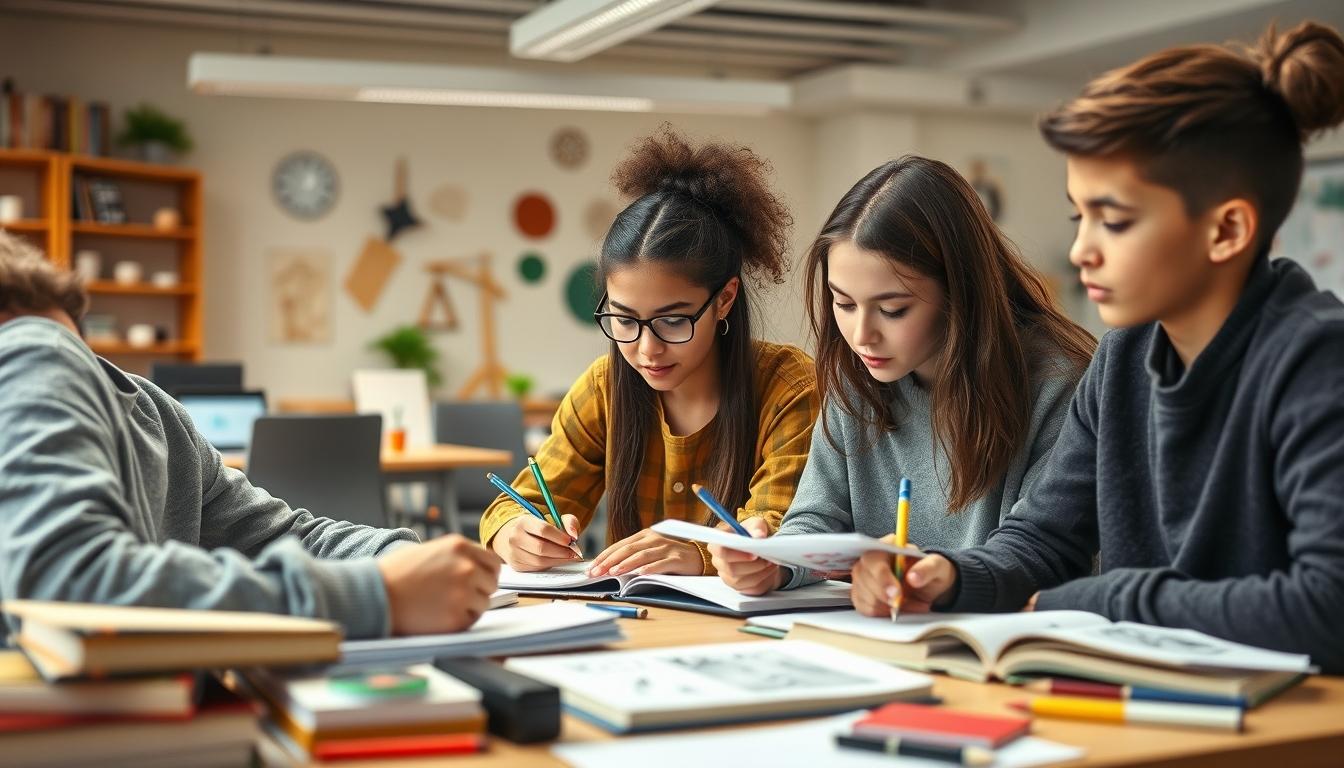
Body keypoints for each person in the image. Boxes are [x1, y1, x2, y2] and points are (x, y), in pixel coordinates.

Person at [891, 22, 1344, 673]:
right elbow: (1044, 538)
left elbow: (1328, 607)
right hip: (1159, 700)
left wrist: (1105, 600)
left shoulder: (1317, 359)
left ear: (1227, 230)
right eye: (1081, 218)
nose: (1082, 251)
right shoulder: (1124, 358)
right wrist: (951, 576)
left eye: (1116, 221)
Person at [0, 232, 499, 638]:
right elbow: (64, 585)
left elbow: (282, 536)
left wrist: (402, 564)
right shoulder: (41, 348)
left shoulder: (152, 410)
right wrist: (376, 594)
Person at [711, 157, 1094, 608]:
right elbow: (816, 519)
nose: (861, 335)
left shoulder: (1057, 385)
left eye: (893, 310)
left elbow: (1041, 552)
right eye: (843, 303)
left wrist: (940, 578)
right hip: (880, 634)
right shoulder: (856, 376)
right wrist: (775, 562)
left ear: (960, 292)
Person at [482, 127, 819, 577]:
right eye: (624, 320)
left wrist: (699, 554)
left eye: (673, 320)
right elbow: (514, 505)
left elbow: (784, 529)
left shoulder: (789, 386)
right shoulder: (603, 386)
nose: (646, 349)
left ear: (724, 299)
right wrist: (514, 532)